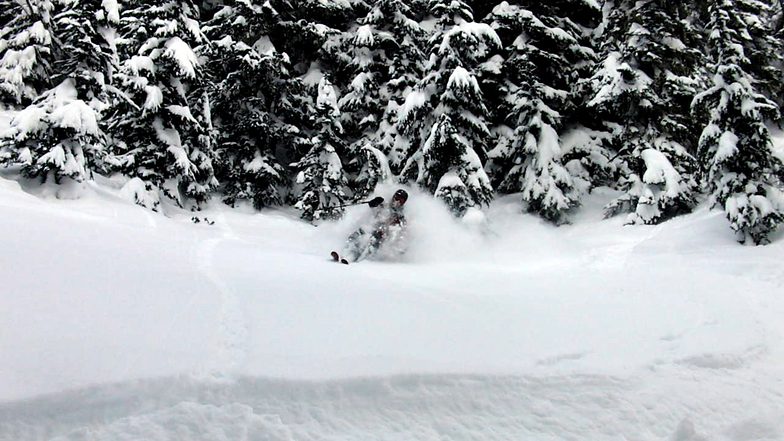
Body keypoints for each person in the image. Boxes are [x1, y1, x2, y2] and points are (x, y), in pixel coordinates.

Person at [344, 189, 409, 262]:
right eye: (396, 198)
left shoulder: (400, 216)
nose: (396, 202)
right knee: (357, 234)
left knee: (372, 240)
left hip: (381, 236)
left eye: (400, 201)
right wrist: (375, 202)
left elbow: (399, 233)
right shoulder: (385, 204)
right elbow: (373, 206)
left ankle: (363, 260)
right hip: (371, 228)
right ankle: (347, 253)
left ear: (403, 203)